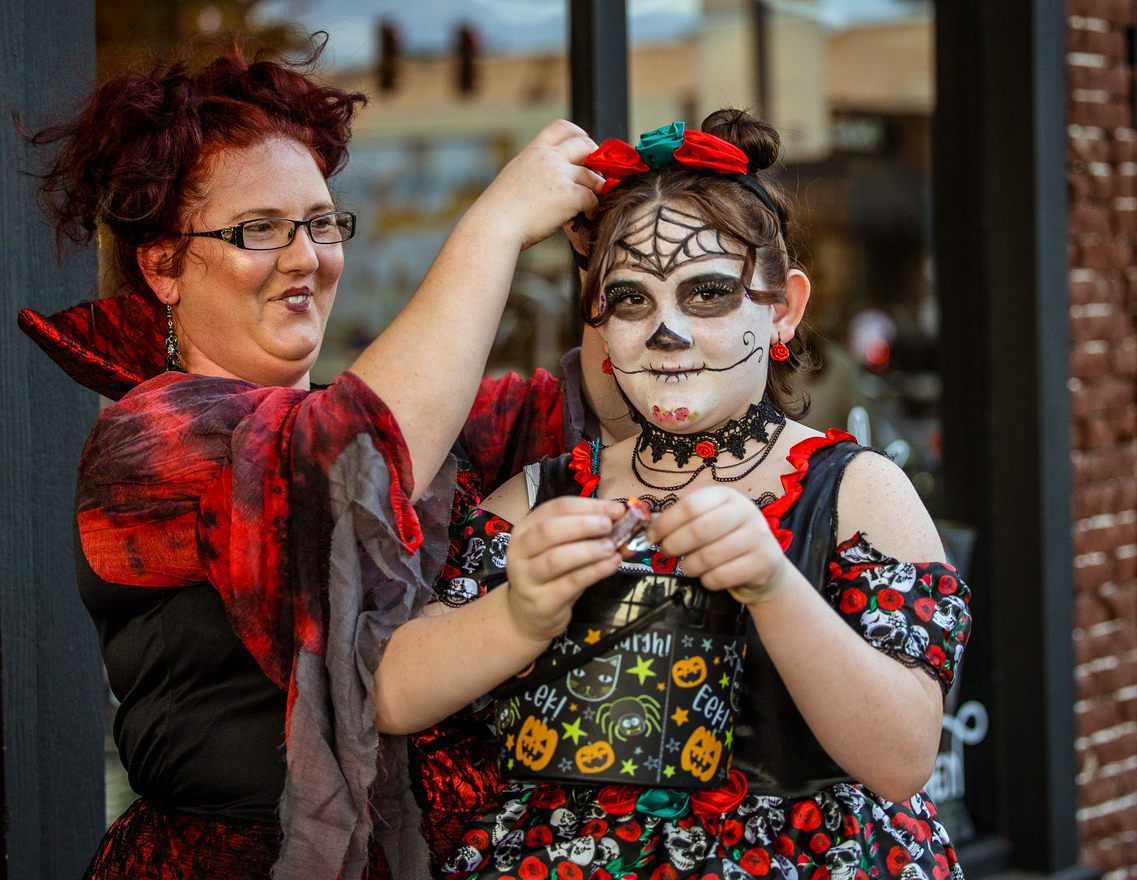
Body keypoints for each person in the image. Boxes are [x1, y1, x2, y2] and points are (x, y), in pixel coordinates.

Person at [16, 35, 602, 880]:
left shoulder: (324, 414)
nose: (305, 257)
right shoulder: (149, 438)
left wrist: (646, 259)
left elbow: (567, 415)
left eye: (321, 224)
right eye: (259, 228)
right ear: (164, 267)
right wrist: (497, 223)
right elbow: (357, 453)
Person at [371, 111, 972, 880]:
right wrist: (518, 612)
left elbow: (903, 759)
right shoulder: (538, 497)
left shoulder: (855, 491)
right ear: (598, 322)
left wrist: (774, 587)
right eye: (629, 300)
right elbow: (391, 696)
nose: (665, 331)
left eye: (708, 294)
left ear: (781, 307)